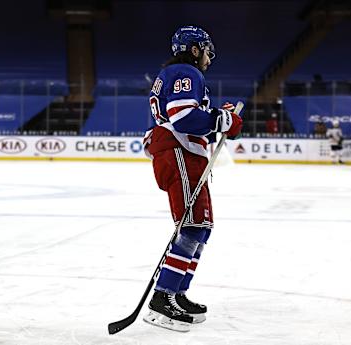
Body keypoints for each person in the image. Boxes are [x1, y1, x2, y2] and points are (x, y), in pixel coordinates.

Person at [142, 25, 243, 332]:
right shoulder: (187, 71)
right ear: (195, 48)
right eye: (207, 50)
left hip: (184, 153)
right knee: (192, 226)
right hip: (178, 152)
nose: (210, 58)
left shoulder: (179, 74)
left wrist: (216, 116)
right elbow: (183, 117)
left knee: (202, 227)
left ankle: (177, 292)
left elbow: (187, 114)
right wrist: (220, 119)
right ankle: (163, 297)